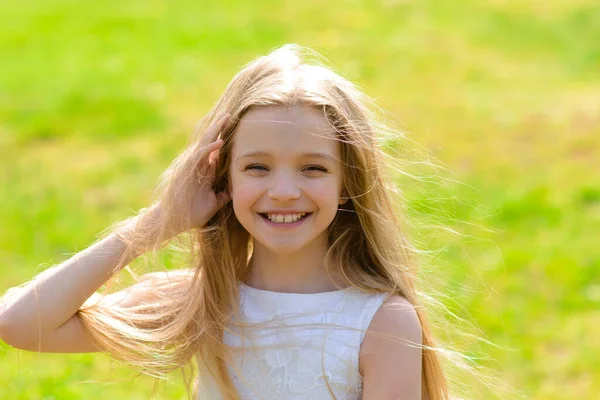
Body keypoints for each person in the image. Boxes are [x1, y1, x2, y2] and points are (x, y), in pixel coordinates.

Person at [0, 44, 448, 399]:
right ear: (222, 177)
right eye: (257, 167)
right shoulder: (203, 301)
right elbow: (20, 324)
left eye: (313, 168)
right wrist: (156, 223)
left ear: (347, 181)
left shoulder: (382, 322)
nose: (285, 191)